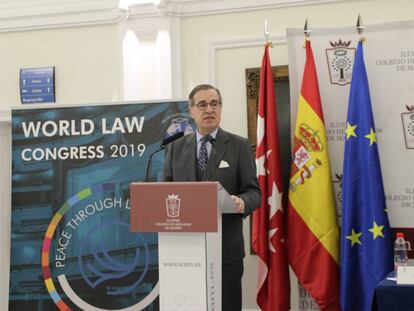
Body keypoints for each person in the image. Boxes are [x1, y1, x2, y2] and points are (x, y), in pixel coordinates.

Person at [163, 84, 261, 311]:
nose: (209, 109)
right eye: (202, 104)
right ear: (191, 110)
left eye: (214, 104)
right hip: (185, 252)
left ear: (220, 108)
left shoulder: (239, 145)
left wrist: (242, 202)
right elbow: (166, 192)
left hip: (226, 250)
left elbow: (254, 192)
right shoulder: (175, 148)